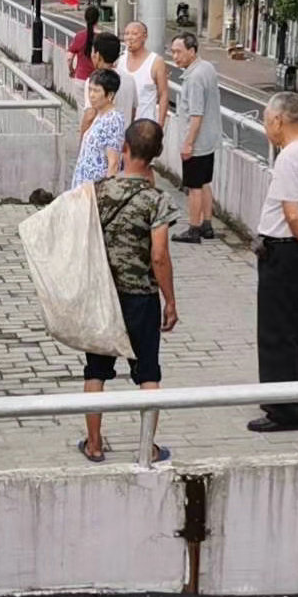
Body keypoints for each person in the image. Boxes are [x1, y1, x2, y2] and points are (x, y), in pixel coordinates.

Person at [79, 120, 178, 463]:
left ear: (124, 147)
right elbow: (160, 255)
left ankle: (93, 444)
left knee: (96, 371)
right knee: (147, 373)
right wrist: (170, 300)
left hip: (104, 297)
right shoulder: (157, 200)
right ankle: (147, 447)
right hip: (141, 298)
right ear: (156, 156)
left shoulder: (99, 191)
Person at [248, 93, 298, 433]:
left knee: (275, 332)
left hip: (284, 251)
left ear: (279, 120)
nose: (267, 128)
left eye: (267, 121)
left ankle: (282, 412)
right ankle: (281, 395)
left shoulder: (289, 157)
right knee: (290, 330)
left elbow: (293, 212)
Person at [170, 32, 221, 244]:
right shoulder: (207, 67)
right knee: (204, 182)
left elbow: (196, 114)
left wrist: (188, 143)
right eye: (173, 52)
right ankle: (207, 225)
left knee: (194, 187)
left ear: (192, 51)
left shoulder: (195, 78)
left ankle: (193, 228)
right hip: (209, 139)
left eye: (179, 52)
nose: (175, 56)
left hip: (197, 142)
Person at [71, 69, 126, 189]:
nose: (91, 95)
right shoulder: (99, 115)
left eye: (96, 91)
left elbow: (114, 163)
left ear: (110, 95)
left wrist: (107, 195)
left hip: (96, 190)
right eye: (90, 89)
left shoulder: (113, 120)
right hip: (84, 189)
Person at [80, 32, 138, 137]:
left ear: (97, 56)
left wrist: (82, 143)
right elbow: (133, 111)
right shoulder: (130, 79)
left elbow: (90, 115)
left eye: (93, 51)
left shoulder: (94, 81)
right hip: (123, 142)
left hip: (101, 143)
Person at [119, 22, 169, 126]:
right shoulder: (120, 60)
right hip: (123, 124)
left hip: (145, 126)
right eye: (127, 34)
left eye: (134, 33)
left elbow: (163, 94)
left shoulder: (156, 62)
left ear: (145, 36)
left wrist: (160, 125)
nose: (130, 38)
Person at [67, 6, 101, 110]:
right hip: (98, 80)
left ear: (85, 18)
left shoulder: (79, 36)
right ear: (98, 19)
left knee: (83, 110)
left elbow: (69, 58)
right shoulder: (102, 37)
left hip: (81, 78)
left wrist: (71, 70)